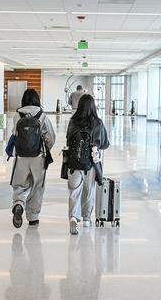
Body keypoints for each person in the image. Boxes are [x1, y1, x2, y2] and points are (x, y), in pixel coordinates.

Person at [10, 89, 56, 228]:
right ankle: (33, 217)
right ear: (37, 99)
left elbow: (15, 134)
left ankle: (18, 204)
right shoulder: (42, 116)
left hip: (21, 156)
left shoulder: (16, 116)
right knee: (37, 186)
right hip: (38, 157)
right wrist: (45, 148)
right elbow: (51, 138)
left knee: (19, 184)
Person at [66, 94, 109, 235]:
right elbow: (104, 144)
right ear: (93, 106)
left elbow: (68, 141)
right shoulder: (98, 123)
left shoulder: (73, 121)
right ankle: (86, 219)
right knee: (88, 192)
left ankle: (73, 217)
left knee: (74, 192)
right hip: (90, 163)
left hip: (73, 163)